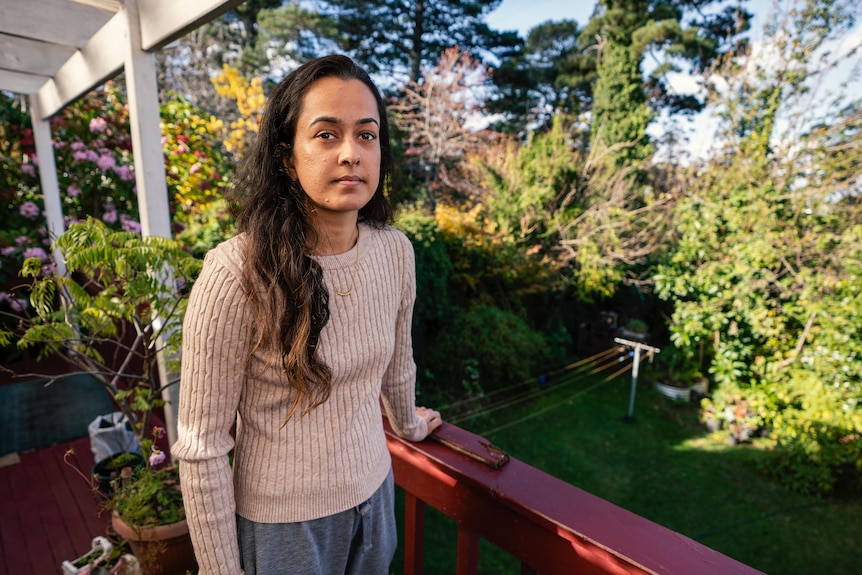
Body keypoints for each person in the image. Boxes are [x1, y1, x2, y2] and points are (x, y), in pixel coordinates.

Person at [172, 54, 443, 575]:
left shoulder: (395, 252)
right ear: (286, 157)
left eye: (367, 135)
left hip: (374, 494)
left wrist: (407, 425)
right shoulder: (236, 273)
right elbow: (203, 448)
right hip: (284, 529)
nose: (351, 154)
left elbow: (397, 362)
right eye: (326, 135)